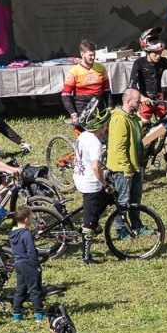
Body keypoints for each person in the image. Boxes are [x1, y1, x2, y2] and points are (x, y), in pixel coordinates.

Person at [106, 89, 147, 239]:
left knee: (135, 199)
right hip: (122, 168)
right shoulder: (119, 120)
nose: (140, 104)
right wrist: (125, 168)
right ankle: (121, 229)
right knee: (122, 200)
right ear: (127, 101)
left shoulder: (132, 118)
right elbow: (119, 147)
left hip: (135, 165)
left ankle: (137, 225)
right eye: (137, 101)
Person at [73, 107, 111, 265]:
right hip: (90, 183)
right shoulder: (95, 142)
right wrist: (104, 182)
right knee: (89, 222)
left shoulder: (83, 135)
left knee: (109, 196)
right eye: (106, 125)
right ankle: (86, 256)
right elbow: (96, 167)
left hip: (79, 177)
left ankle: (94, 222)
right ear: (101, 127)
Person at [62, 39, 113, 125]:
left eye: (94, 55)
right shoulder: (73, 72)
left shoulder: (101, 68)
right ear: (82, 54)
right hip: (82, 107)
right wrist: (73, 114)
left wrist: (110, 107)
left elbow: (107, 90)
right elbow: (65, 95)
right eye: (90, 55)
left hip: (99, 105)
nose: (93, 57)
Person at [10, 206, 43, 322]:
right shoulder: (26, 234)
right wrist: (36, 265)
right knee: (35, 289)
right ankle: (39, 313)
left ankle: (17, 314)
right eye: (31, 218)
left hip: (18, 264)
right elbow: (31, 251)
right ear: (25, 219)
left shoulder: (13, 234)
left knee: (20, 289)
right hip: (28, 264)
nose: (32, 220)